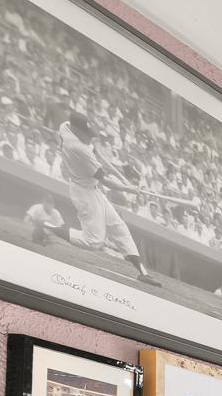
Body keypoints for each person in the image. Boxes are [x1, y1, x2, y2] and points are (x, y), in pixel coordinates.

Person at [55, 111, 154, 284]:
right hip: (83, 192)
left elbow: (95, 154)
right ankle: (48, 227)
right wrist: (129, 189)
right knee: (93, 242)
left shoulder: (65, 126)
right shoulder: (80, 149)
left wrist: (96, 152)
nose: (90, 138)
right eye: (86, 135)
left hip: (91, 188)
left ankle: (143, 273)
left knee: (119, 227)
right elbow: (106, 182)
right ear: (77, 131)